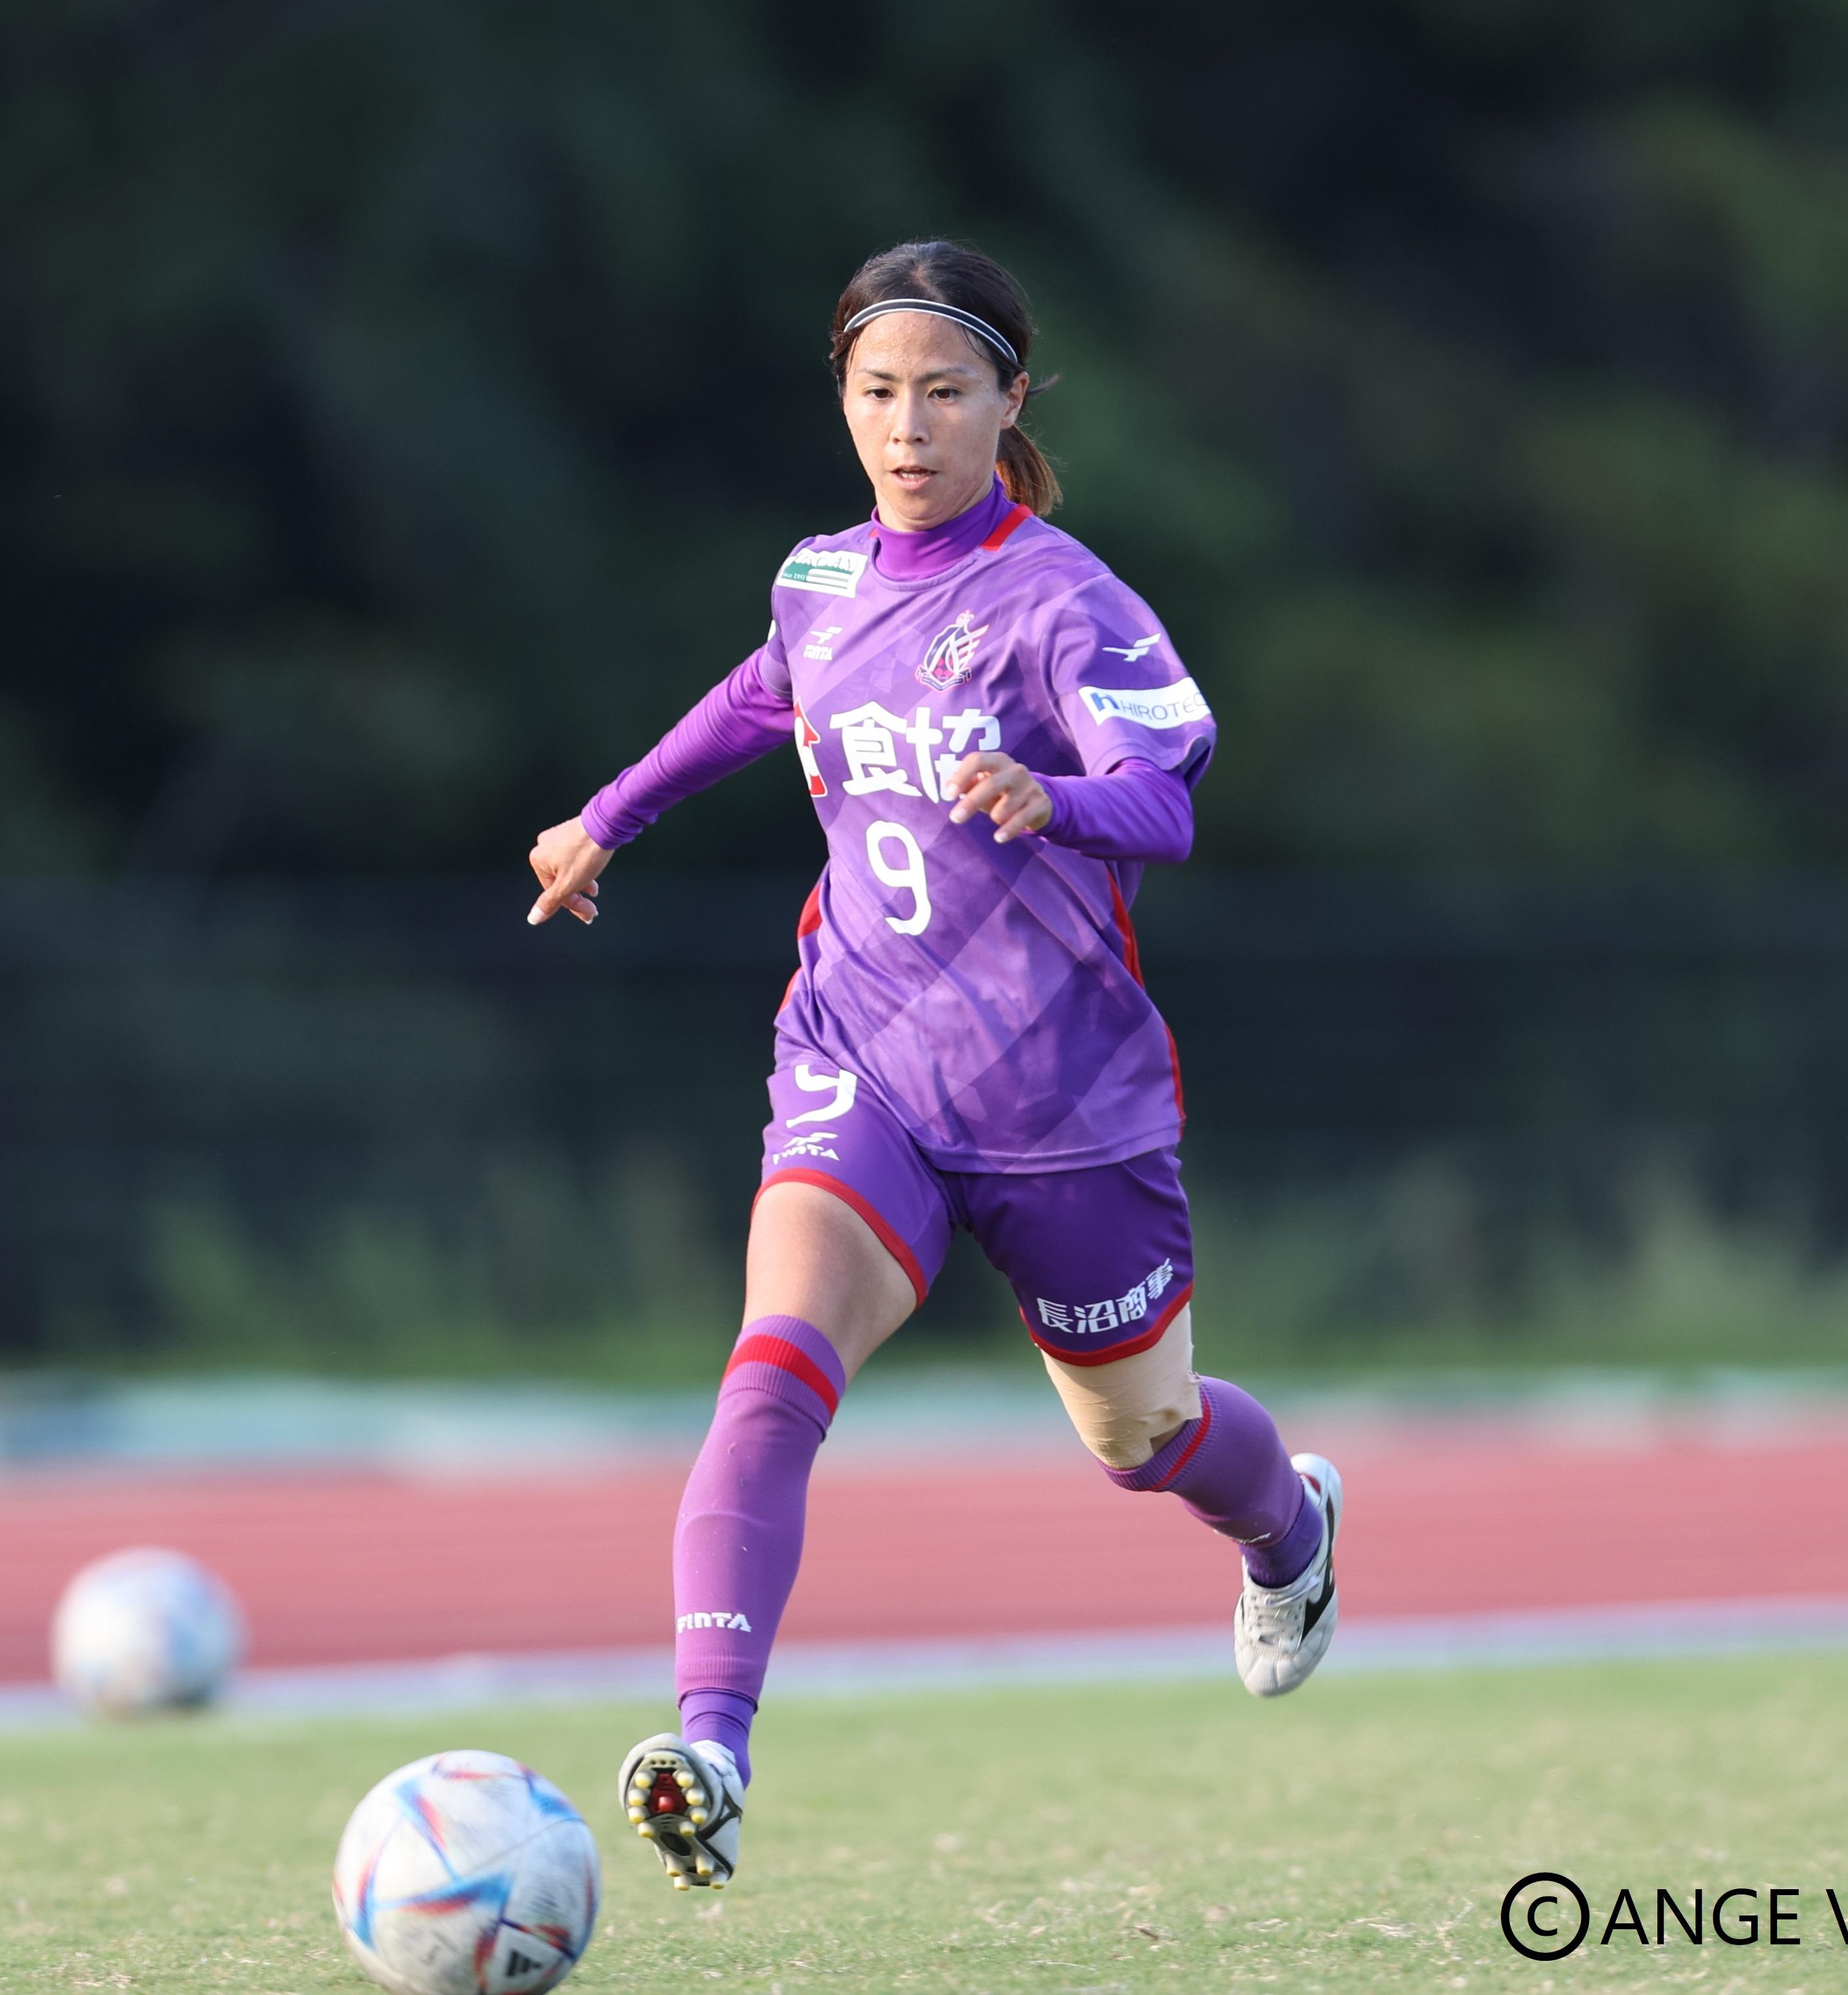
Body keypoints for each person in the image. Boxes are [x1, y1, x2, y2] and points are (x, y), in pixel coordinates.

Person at [524, 241, 1340, 1893]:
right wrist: (608, 816)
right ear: (842, 399)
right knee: (772, 1370)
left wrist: (1059, 798)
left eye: (947, 392)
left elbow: (1166, 802)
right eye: (879, 391)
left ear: (1009, 400)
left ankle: (1293, 1530)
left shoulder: (1067, 603)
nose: (910, 426)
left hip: (1064, 1107)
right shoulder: (819, 582)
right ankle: (711, 1749)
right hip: (865, 1061)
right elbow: (760, 699)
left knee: (1147, 1441)